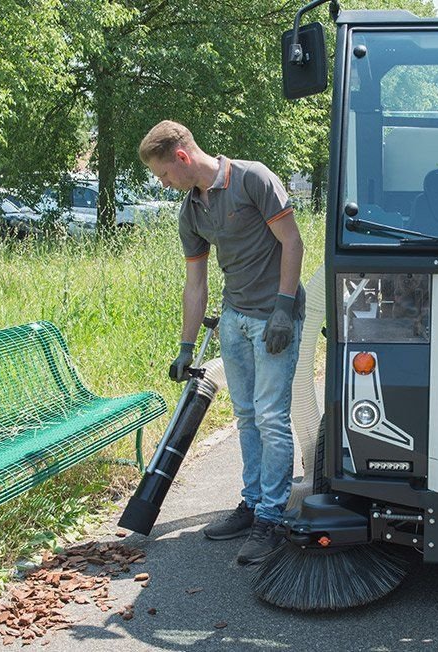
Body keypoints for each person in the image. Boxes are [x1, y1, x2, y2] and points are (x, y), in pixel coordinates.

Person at [138, 120, 305, 565]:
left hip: (275, 318)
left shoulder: (252, 178)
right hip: (234, 320)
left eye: (163, 174)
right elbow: (196, 282)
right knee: (246, 417)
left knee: (271, 417)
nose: (164, 182)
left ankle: (272, 517)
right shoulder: (191, 211)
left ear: (181, 157)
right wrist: (186, 347)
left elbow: (292, 242)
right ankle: (252, 505)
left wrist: (284, 309)